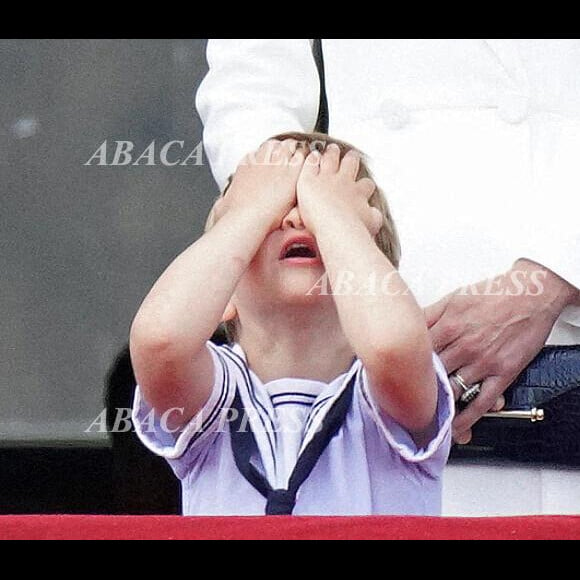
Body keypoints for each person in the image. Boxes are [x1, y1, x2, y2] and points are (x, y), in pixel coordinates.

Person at [196, 39, 580, 445]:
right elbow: (252, 93)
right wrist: (307, 236)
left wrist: (554, 274)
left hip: (565, 338)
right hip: (352, 349)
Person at [129, 134, 454, 515]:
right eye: (274, 212)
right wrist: (249, 209)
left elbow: (390, 344)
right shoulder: (213, 401)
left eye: (319, 211)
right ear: (223, 294)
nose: (297, 217)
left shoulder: (384, 394)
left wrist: (334, 216)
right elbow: (161, 341)